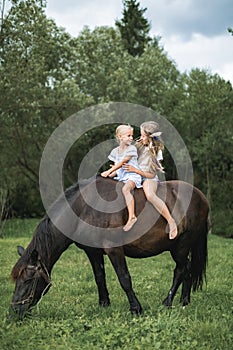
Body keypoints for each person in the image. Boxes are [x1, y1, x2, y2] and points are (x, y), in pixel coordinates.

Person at [123, 121, 178, 239]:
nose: (141, 138)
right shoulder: (138, 145)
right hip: (134, 175)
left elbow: (151, 175)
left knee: (150, 195)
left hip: (147, 177)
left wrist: (135, 170)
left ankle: (171, 221)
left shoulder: (156, 151)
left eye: (143, 135)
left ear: (150, 137)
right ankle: (130, 216)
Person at [101, 124, 142, 231]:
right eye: (129, 136)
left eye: (132, 136)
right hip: (121, 177)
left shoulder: (132, 149)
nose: (131, 138)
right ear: (120, 137)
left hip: (132, 176)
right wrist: (109, 175)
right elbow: (117, 168)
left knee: (125, 189)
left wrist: (109, 171)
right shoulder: (115, 151)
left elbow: (123, 162)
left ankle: (132, 216)